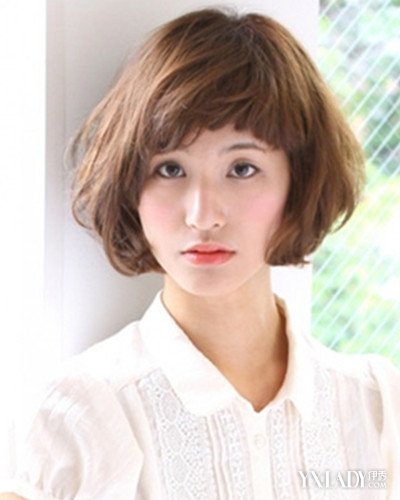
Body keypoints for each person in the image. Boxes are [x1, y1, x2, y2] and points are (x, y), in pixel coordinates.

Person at [2, 7, 399, 499]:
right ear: (131, 185)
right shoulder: (72, 421)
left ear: (297, 182)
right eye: (170, 169)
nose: (203, 215)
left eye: (242, 168)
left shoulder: (376, 408)